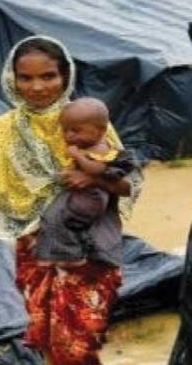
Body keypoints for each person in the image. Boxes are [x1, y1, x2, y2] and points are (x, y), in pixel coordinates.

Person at [0, 35, 142, 365]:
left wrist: (92, 176)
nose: (38, 87)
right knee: (48, 337)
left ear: (65, 75)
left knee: (83, 336)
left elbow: (128, 186)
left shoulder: (89, 121)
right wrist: (44, 204)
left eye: (48, 76)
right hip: (34, 247)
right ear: (12, 80)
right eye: (26, 78)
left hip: (90, 246)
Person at [34, 97, 137, 268]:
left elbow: (103, 173)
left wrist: (79, 158)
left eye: (75, 131)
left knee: (59, 217)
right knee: (55, 217)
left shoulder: (100, 148)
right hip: (80, 198)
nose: (68, 136)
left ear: (100, 130)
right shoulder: (2, 130)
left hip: (90, 197)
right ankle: (62, 253)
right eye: (65, 130)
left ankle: (69, 254)